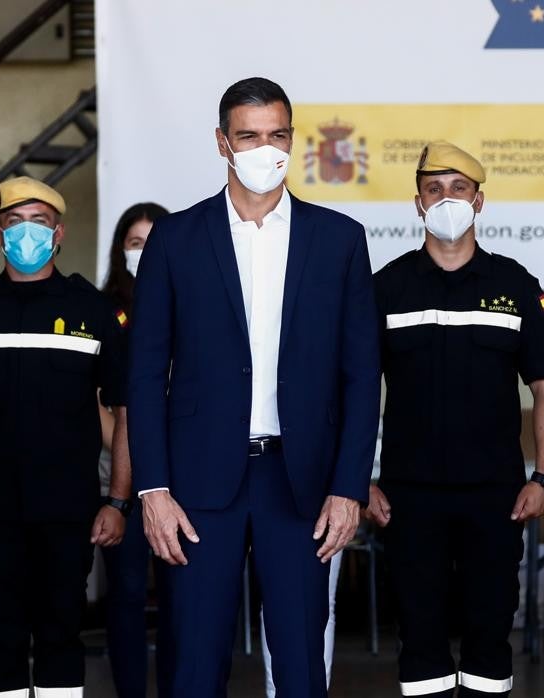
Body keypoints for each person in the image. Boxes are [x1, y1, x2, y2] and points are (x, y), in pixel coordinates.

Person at [127, 77, 380, 698]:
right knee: (193, 665)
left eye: (277, 136)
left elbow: (361, 377)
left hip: (300, 485)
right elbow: (144, 373)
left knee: (300, 666)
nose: (265, 151)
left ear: (292, 140)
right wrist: (153, 489)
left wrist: (350, 488)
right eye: (248, 137)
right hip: (196, 487)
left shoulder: (339, 240)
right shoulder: (175, 239)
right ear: (222, 143)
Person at [0, 177, 132, 698]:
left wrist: (118, 502)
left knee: (62, 637)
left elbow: (128, 411)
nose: (26, 234)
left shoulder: (92, 311)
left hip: (69, 512)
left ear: (58, 235)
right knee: (0, 640)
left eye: (38, 223)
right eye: (14, 223)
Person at [365, 141, 544, 697]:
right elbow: (353, 391)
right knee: (419, 636)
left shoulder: (515, 286)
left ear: (480, 200)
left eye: (459, 188)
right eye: (434, 189)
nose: (447, 199)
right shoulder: (387, 287)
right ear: (418, 204)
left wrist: (542, 477)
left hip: (496, 494)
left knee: (490, 635)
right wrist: (360, 479)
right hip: (407, 495)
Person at [97, 202, 169, 698]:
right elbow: (95, 399)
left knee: (184, 598)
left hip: (183, 478)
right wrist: (133, 457)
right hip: (116, 477)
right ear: (121, 251)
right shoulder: (102, 310)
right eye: (135, 242)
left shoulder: (192, 300)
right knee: (124, 595)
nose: (144, 252)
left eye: (153, 240)